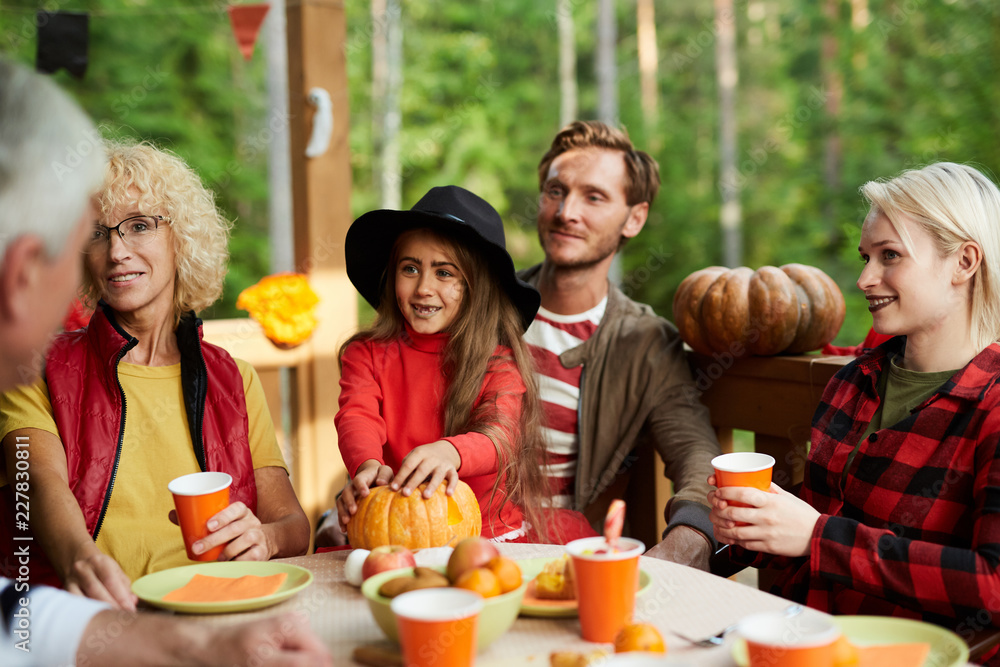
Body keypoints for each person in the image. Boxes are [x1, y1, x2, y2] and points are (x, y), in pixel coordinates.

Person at [0, 59, 330, 666]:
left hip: (215, 618)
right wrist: (80, 559)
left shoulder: (233, 377)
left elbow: (293, 526)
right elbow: (36, 484)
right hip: (94, 625)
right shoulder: (36, 366)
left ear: (184, 238)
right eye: (98, 233)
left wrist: (262, 536)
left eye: (139, 226)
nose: (117, 250)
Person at [710, 163, 1000, 645]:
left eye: (890, 256)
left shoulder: (991, 405)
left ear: (964, 262)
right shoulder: (853, 381)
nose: (866, 278)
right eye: (866, 256)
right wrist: (746, 531)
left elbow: (992, 586)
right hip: (798, 642)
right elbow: (811, 535)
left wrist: (818, 537)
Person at [517, 120, 722, 564]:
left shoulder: (644, 342)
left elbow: (695, 452)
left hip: (568, 561)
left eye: (593, 197)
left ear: (634, 218)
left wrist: (684, 544)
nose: (566, 211)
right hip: (458, 548)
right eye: (556, 191)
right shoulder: (483, 310)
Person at [332, 185, 549, 543]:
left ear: (476, 287)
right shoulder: (366, 353)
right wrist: (368, 465)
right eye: (410, 268)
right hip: (399, 532)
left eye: (444, 273)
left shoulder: (498, 363)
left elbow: (501, 434)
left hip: (485, 534)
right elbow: (357, 415)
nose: (423, 288)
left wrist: (450, 451)